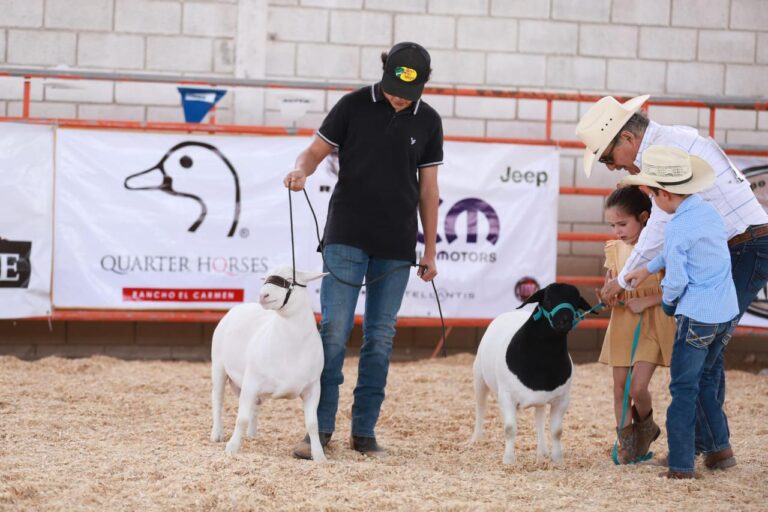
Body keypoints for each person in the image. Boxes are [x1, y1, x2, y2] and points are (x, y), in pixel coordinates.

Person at [576, 94, 768, 469]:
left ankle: (708, 450)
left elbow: (664, 227)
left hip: (745, 246)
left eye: (607, 157)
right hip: (743, 245)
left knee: (698, 356)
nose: (612, 167)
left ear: (627, 140)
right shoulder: (674, 139)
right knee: (705, 355)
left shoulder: (661, 158)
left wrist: (627, 280)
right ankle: (709, 447)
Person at [283, 42, 443, 459]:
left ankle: (364, 432)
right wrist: (300, 170)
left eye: (409, 92)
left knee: (381, 337)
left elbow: (429, 189)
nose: (399, 97)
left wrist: (430, 249)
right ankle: (318, 431)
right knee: (334, 331)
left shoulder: (429, 121)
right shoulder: (352, 105)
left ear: (424, 85)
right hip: (345, 235)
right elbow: (314, 152)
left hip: (396, 244)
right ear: (384, 70)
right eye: (394, 87)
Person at [622, 145, 739, 479]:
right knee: (706, 379)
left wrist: (671, 306)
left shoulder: (675, 228)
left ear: (664, 194)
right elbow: (688, 251)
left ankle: (681, 465)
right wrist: (647, 268)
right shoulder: (708, 212)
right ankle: (720, 450)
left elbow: (676, 281)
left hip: (696, 314)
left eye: (653, 194)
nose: (653, 202)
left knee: (683, 389)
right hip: (725, 312)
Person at [598, 186, 676, 464]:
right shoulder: (614, 249)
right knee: (620, 387)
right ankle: (628, 442)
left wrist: (647, 301)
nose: (617, 231)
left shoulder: (661, 247)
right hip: (623, 322)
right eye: (613, 225)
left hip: (653, 320)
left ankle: (647, 426)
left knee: (637, 388)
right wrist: (609, 294)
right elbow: (611, 282)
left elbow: (675, 288)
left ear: (644, 217)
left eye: (622, 224)